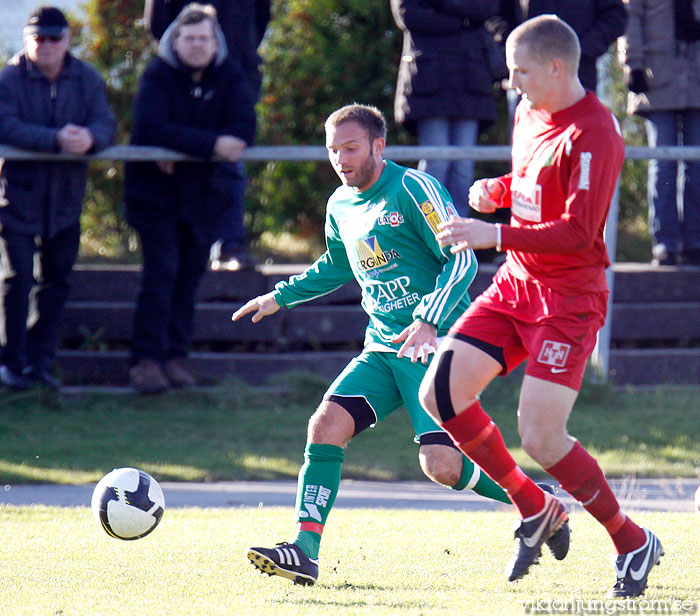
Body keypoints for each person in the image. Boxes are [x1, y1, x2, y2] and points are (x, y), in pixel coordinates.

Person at [233, 103, 569, 586]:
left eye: (350, 148)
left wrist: (429, 320)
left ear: (378, 145)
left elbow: (462, 259)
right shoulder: (339, 205)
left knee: (442, 465)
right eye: (333, 151)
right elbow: (335, 265)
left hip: (434, 346)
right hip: (382, 348)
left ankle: (538, 502)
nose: (341, 159)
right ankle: (304, 551)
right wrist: (277, 297)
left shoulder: (414, 188)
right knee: (325, 425)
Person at [418, 16, 663, 597]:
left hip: (568, 300)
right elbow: (534, 180)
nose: (512, 83)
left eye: (520, 71)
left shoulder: (596, 133)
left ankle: (633, 541)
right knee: (441, 393)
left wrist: (492, 234)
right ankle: (534, 507)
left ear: (557, 67)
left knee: (543, 439)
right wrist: (499, 191)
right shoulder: (529, 112)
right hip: (517, 285)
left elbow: (580, 231)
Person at [124, 3, 256, 393]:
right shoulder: (157, 74)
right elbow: (149, 127)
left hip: (203, 197)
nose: (197, 45)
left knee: (188, 279)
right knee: (160, 276)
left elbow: (243, 128)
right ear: (175, 40)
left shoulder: (229, 74)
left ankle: (176, 358)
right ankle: (146, 362)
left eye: (204, 38)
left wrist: (180, 145)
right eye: (190, 37)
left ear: (216, 42)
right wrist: (210, 144)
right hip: (155, 197)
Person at [0, 6, 116, 390]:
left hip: (66, 201)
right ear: (27, 41)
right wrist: (55, 139)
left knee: (57, 283)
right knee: (16, 282)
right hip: (16, 199)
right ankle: (10, 364)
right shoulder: (9, 78)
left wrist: (91, 139)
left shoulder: (86, 78)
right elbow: (6, 125)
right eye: (39, 38)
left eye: (54, 38)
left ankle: (40, 364)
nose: (47, 46)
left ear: (67, 40)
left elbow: (105, 122)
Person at [144, 0, 271, 271]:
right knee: (179, 162)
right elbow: (156, 24)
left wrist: (235, 53)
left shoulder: (235, 74)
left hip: (236, 71)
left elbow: (261, 18)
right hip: (179, 80)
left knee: (231, 163)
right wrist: (188, 53)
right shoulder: (159, 77)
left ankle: (229, 246)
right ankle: (181, 246)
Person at [391, 0, 501, 217]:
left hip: (470, 79)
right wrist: (463, 20)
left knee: (463, 166)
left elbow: (486, 8)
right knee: (437, 161)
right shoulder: (463, 24)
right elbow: (408, 16)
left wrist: (441, 6)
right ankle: (425, 228)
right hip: (428, 80)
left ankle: (458, 238)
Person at [620, 0, 700, 266]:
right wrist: (633, 64)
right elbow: (630, 18)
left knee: (696, 165)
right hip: (657, 78)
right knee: (663, 164)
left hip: (695, 77)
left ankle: (694, 243)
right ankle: (665, 244)